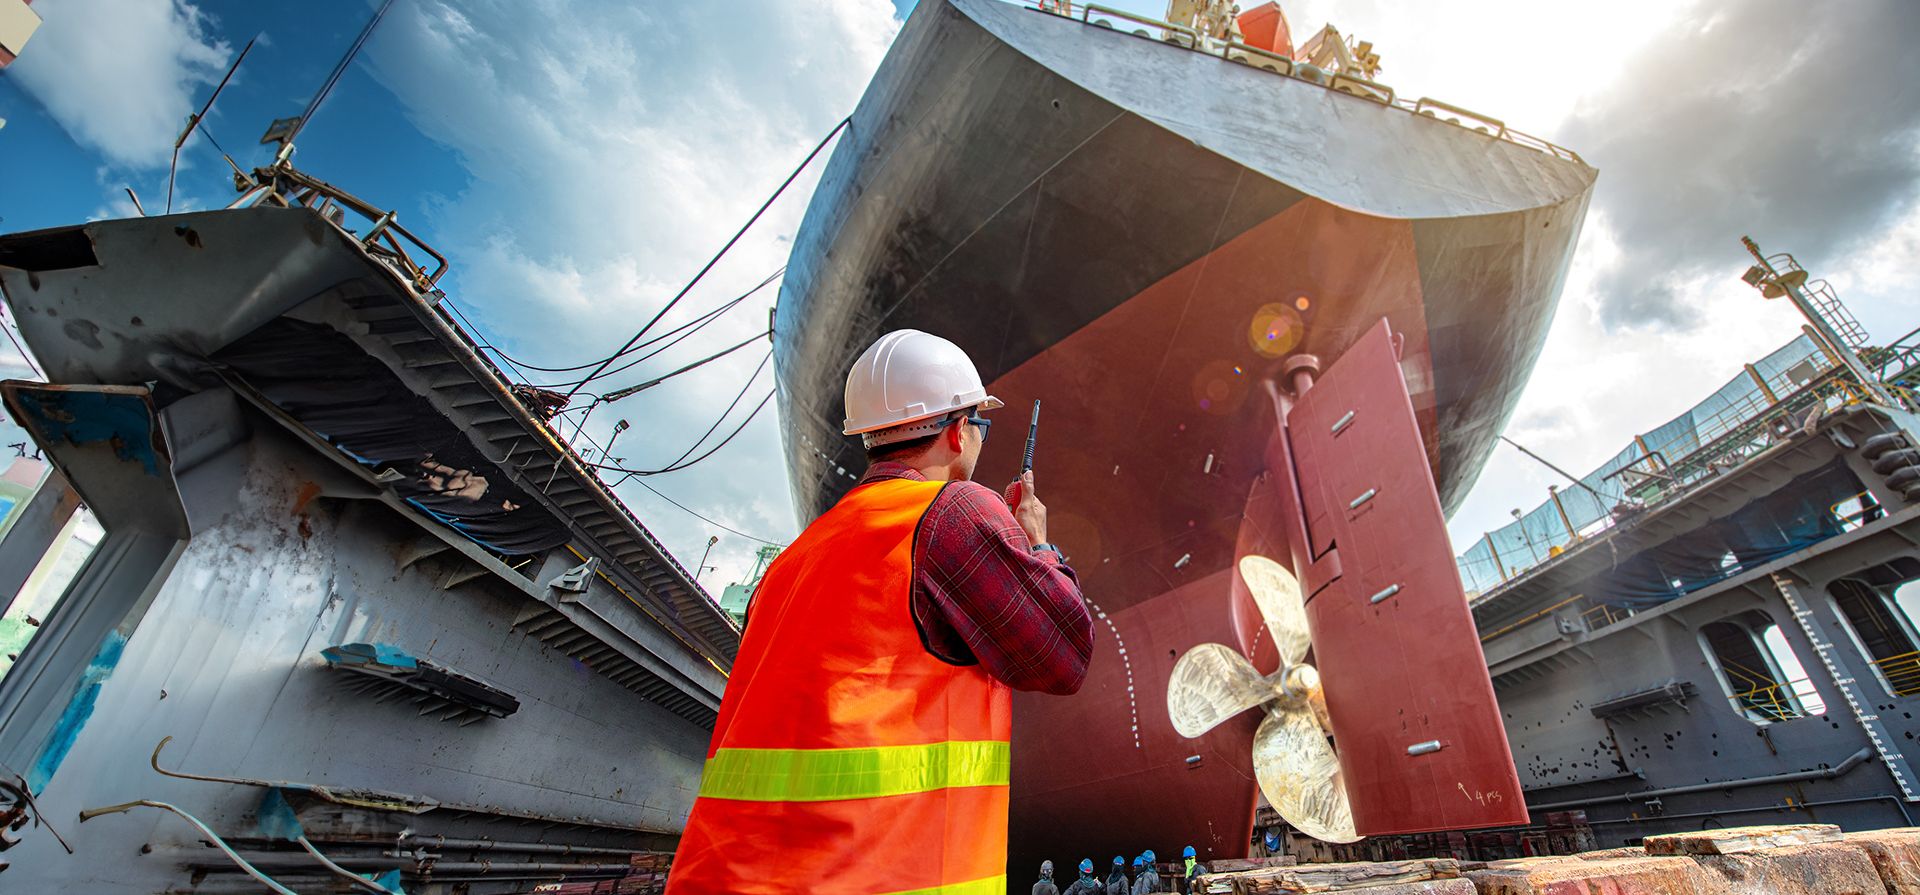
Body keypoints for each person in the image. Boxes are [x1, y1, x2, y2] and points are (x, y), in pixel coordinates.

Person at [666, 329, 1095, 895]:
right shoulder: (955, 510)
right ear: (957, 429)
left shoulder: (796, 557)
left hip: (720, 877)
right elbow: (1062, 658)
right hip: (875, 878)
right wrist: (1036, 543)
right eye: (980, 425)